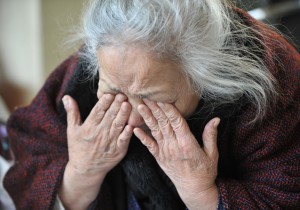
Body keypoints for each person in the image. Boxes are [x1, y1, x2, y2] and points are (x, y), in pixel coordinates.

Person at [3, 0, 300, 209]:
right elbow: (29, 164)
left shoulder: (273, 83)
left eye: (152, 98)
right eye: (113, 91)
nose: (129, 120)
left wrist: (203, 194)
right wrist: (81, 173)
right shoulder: (90, 65)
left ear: (206, 76)